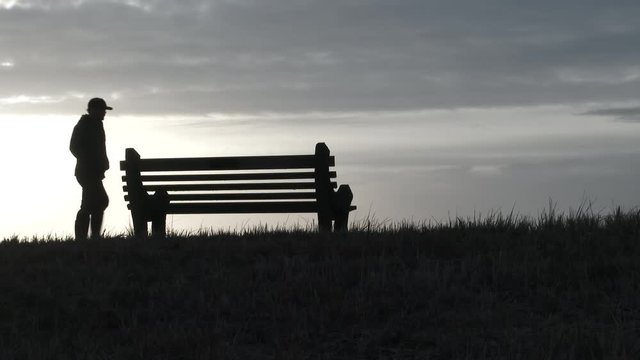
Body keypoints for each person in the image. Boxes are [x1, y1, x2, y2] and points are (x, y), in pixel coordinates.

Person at [70, 97, 112, 240]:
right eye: (102, 110)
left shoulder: (96, 124)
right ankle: (86, 236)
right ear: (93, 110)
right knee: (98, 201)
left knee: (95, 202)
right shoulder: (85, 125)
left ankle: (91, 236)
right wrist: (90, 161)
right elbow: (74, 147)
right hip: (86, 172)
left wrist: (103, 162)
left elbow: (100, 148)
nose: (104, 113)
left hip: (93, 172)